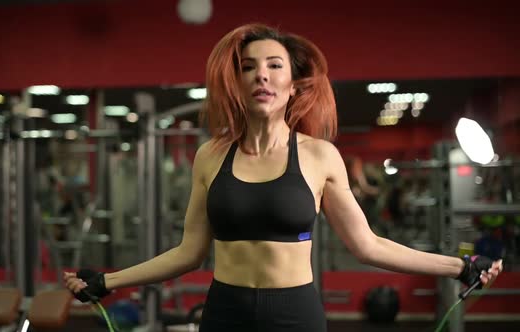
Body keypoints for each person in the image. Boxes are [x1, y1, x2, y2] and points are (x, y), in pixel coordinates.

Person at [64, 23, 503, 331]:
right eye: (249, 66)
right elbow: (188, 254)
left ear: (293, 84)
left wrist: (459, 267)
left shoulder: (319, 156)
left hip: (295, 313)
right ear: (237, 83)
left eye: (275, 65)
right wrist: (108, 281)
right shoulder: (210, 156)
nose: (262, 75)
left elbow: (368, 246)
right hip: (225, 312)